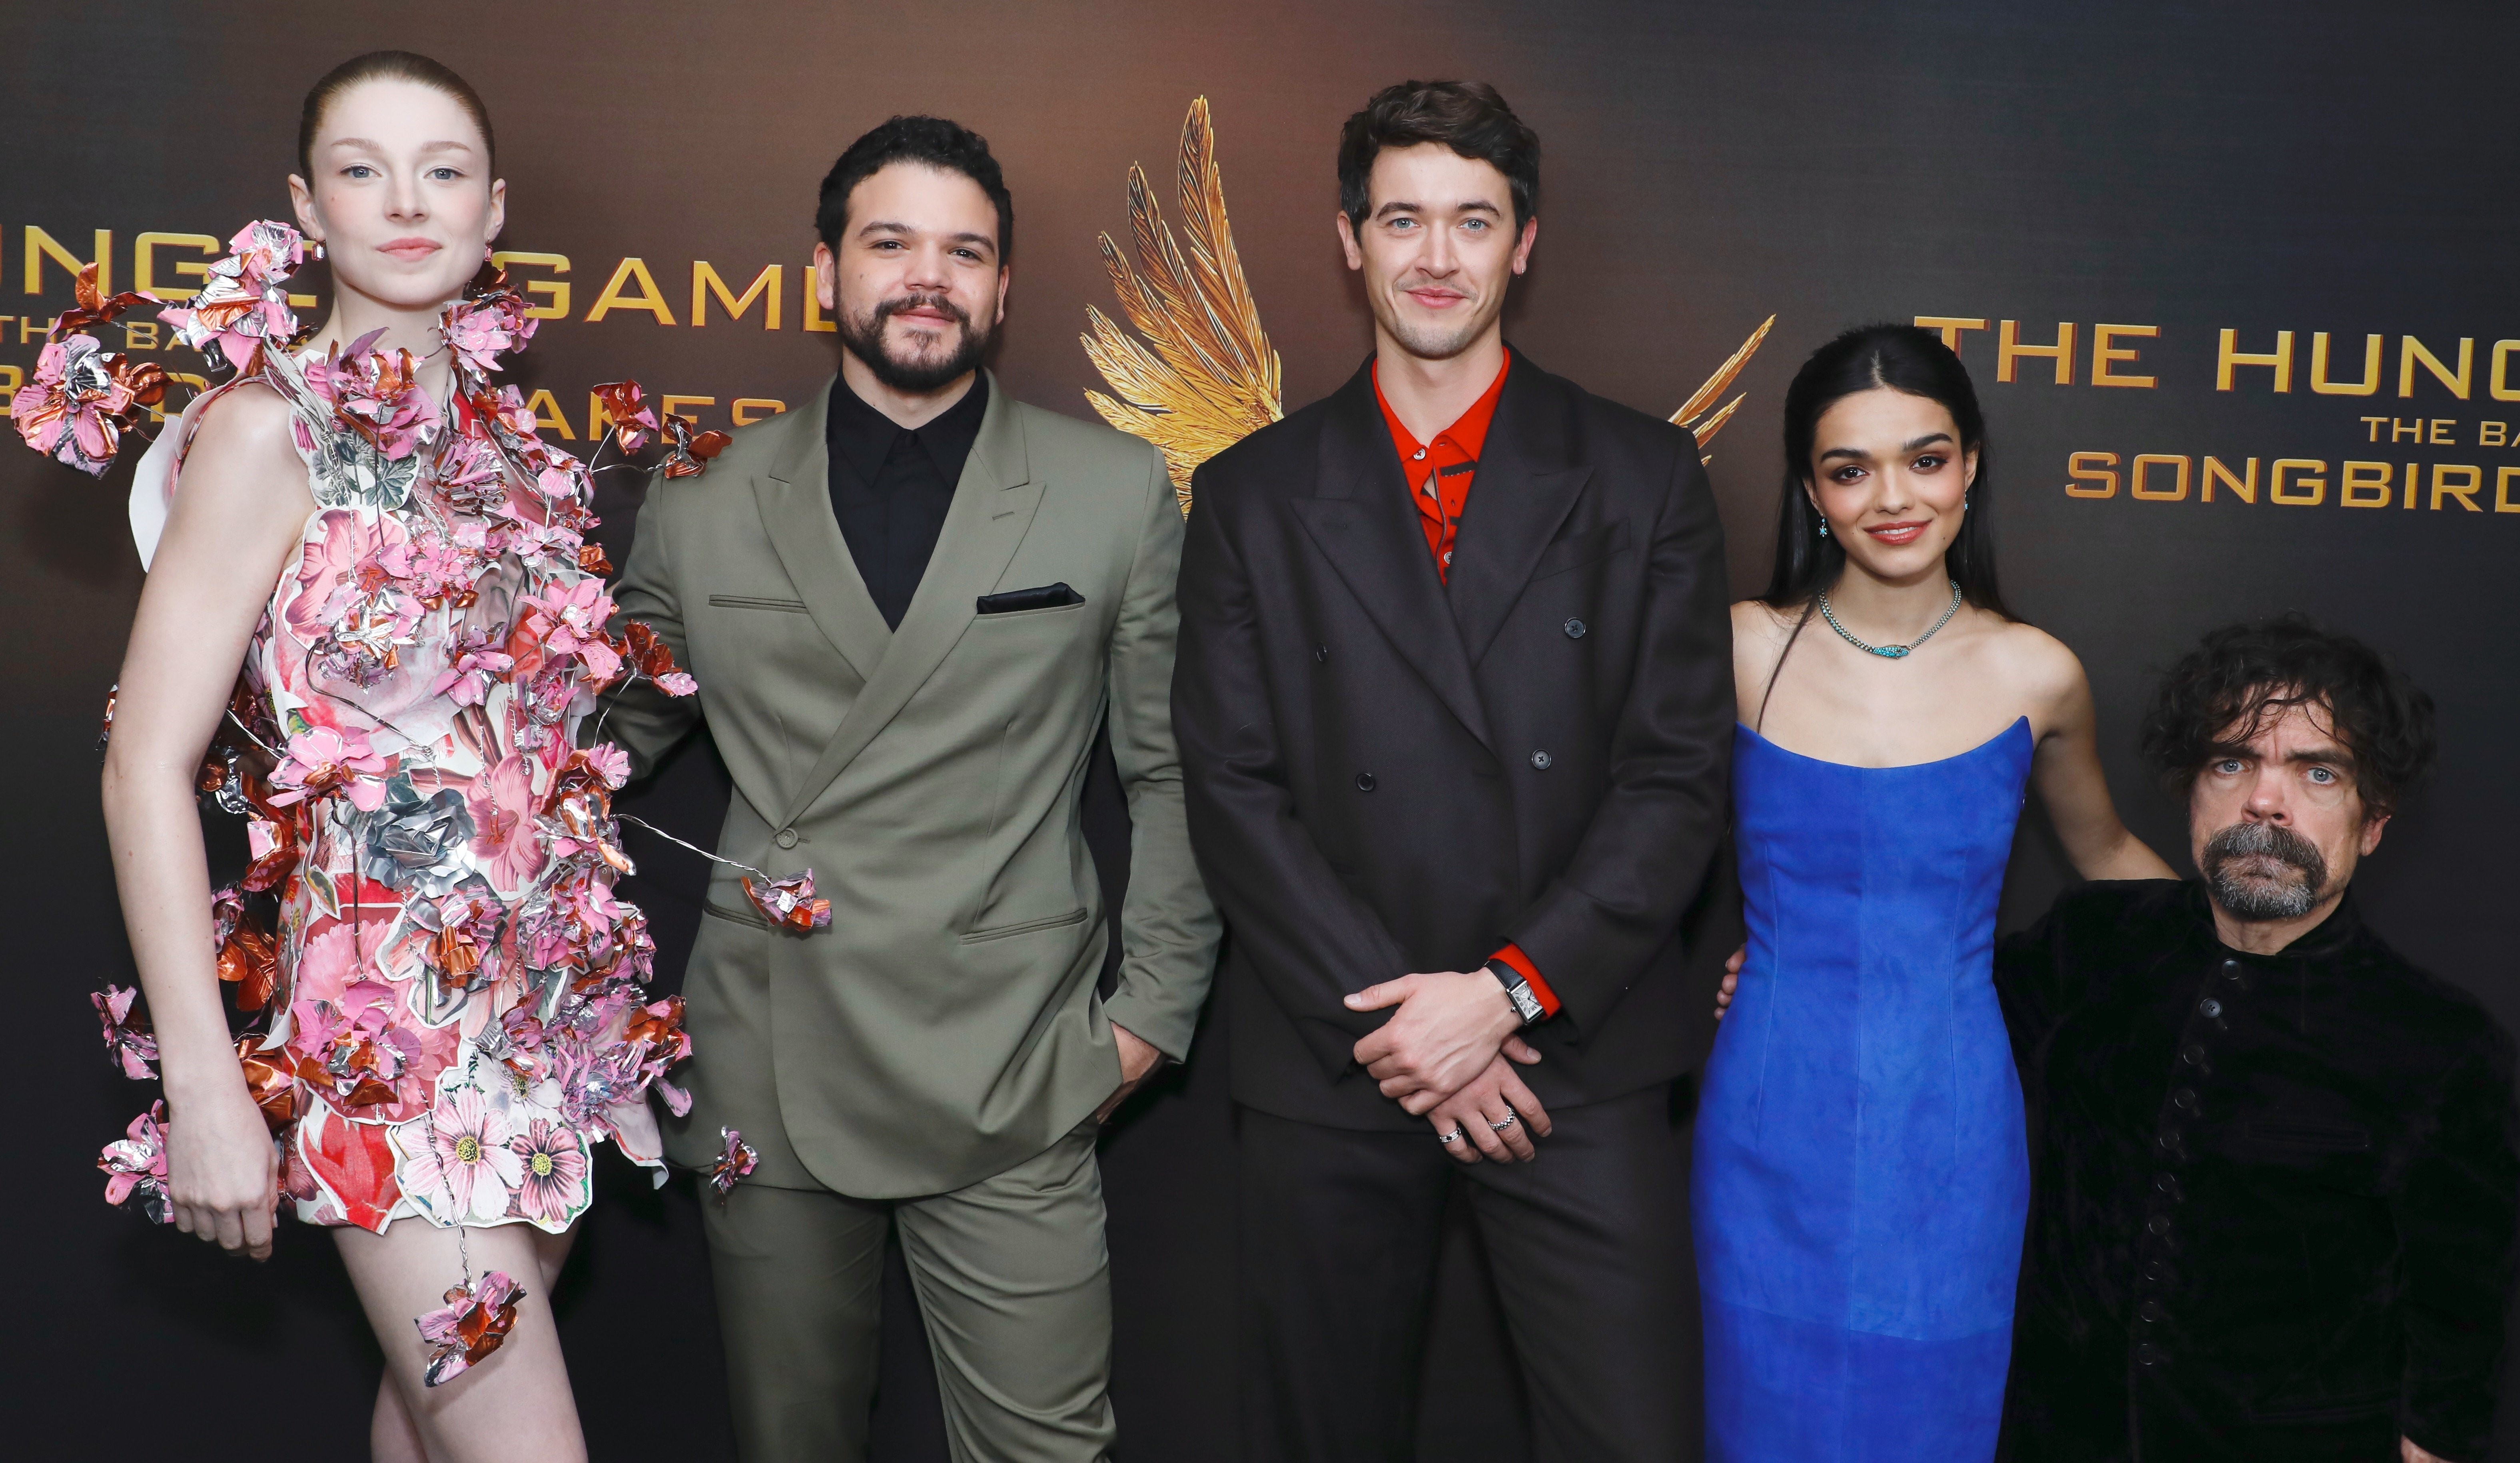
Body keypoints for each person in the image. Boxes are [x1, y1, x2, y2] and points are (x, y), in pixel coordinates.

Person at [65, 51, 684, 1463]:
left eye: (441, 171)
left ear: (492, 208)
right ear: (307, 206)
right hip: (382, 1044)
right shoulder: (267, 432)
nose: (406, 203)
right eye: (363, 170)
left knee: (428, 1431)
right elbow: (142, 763)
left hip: (538, 1025)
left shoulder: (516, 456)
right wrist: (206, 1087)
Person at [598, 115, 1219, 1463]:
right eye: (891, 244)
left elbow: (1171, 768)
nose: (927, 277)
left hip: (1015, 1055)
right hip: (774, 1055)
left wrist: (1150, 1018)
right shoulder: (702, 501)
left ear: (1003, 287)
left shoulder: (1112, 491)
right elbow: (600, 751)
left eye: (964, 252)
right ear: (826, 272)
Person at [1173, 80, 1734, 1460]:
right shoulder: (1250, 491)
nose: (1436, 256)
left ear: (1523, 243)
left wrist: (1501, 995)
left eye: (1472, 221)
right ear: (1348, 240)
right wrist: (1411, 1031)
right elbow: (1232, 787)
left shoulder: (1643, 474)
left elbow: (1674, 777)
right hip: (1339, 1051)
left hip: (1568, 1053)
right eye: (1403, 219)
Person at [1693, 323, 2173, 1463]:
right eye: (1849, 469)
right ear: (1810, 491)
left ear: (1971, 466)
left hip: (1952, 1123)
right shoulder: (1739, 650)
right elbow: (1631, 842)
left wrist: (2272, 943)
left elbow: (2107, 855)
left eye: (1925, 458)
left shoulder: (2035, 671)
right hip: (1770, 1109)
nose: (1892, 498)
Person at [1991, 617, 2518, 1462]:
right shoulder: (2088, 943)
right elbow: (1922, 1034)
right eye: (2232, 762)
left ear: (2372, 822)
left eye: (2318, 772)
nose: (2265, 801)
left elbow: (2460, 1326)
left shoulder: (2442, 1045)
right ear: (2190, 791)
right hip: (2056, 1434)